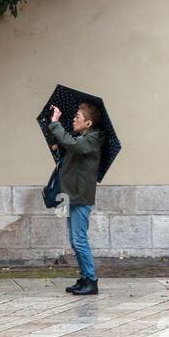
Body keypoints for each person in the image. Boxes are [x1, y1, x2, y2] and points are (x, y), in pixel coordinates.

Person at [48, 101, 104, 296]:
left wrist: (56, 122)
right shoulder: (84, 138)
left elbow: (74, 145)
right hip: (72, 195)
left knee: (79, 240)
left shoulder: (92, 139)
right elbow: (72, 150)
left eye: (77, 117)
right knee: (75, 240)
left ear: (88, 123)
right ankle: (84, 278)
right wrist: (59, 148)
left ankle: (91, 281)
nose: (73, 119)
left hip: (80, 196)